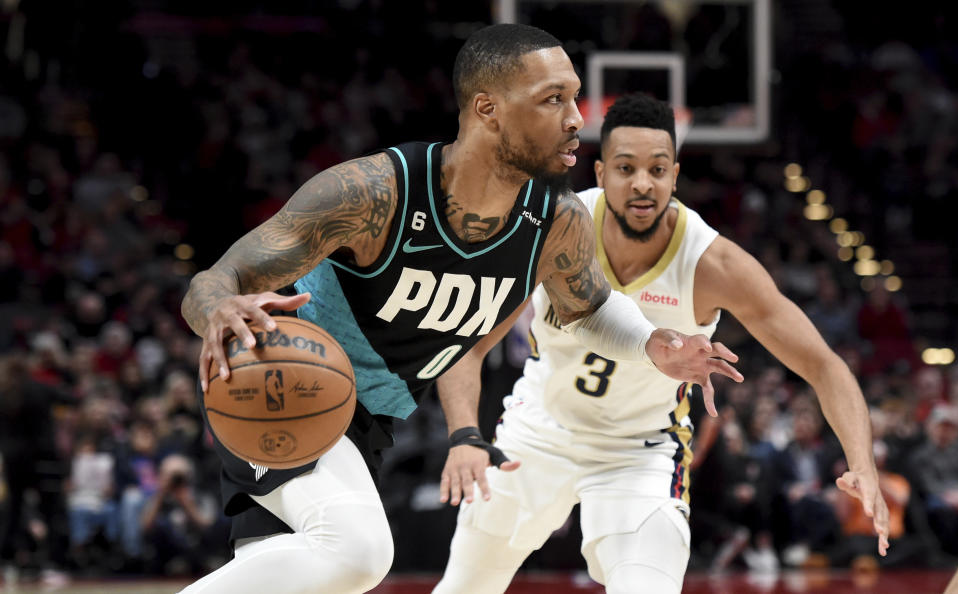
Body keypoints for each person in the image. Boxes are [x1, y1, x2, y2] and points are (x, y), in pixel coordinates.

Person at [178, 25, 742, 594]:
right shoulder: (376, 193)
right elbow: (216, 280)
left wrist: (654, 345)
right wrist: (219, 313)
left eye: (574, 98)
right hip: (279, 386)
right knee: (359, 551)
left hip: (365, 420)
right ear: (488, 108)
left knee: (301, 573)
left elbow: (589, 307)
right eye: (554, 99)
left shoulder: (554, 220)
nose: (576, 117)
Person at [432, 93, 889, 594]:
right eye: (626, 168)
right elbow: (468, 345)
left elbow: (823, 365)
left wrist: (862, 464)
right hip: (538, 430)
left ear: (675, 174)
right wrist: (464, 435)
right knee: (464, 587)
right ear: (601, 173)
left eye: (657, 169)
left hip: (639, 452)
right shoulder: (549, 232)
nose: (642, 184)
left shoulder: (714, 266)